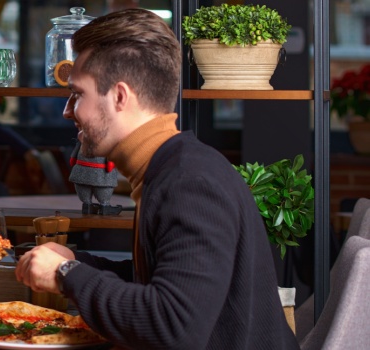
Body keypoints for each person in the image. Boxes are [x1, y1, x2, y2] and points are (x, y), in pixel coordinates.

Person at [15, 9, 297, 349]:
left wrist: (66, 275)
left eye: (78, 94)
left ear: (120, 96)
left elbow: (174, 328)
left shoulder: (190, 184)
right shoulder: (171, 167)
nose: (67, 110)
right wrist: (77, 263)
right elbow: (159, 283)